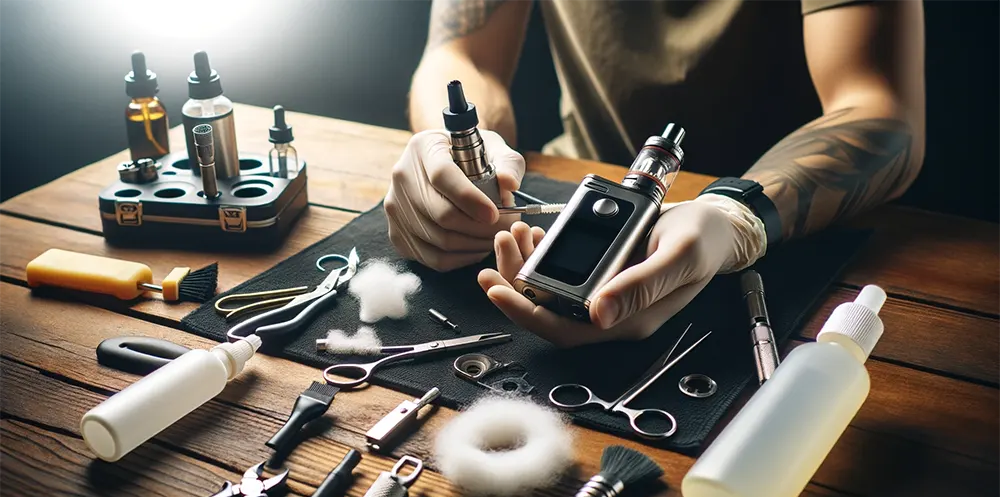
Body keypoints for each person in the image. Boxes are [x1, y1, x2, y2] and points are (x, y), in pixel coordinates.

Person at [385, 0, 925, 347]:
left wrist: (735, 214)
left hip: (789, 226)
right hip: (571, 184)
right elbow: (460, 55)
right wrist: (454, 161)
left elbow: (878, 110)